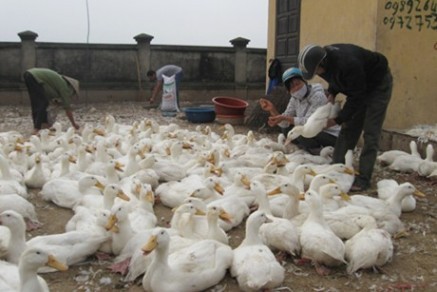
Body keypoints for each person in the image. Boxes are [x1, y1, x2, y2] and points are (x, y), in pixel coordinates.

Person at [298, 43, 393, 192]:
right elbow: (335, 78)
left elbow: (357, 97)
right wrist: (332, 94)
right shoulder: (323, 62)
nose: (317, 74)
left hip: (377, 85)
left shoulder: (348, 64)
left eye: (317, 71)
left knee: (370, 131)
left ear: (322, 63)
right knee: (349, 128)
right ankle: (337, 166)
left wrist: (336, 120)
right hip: (358, 86)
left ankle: (364, 178)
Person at [259, 67, 340, 154]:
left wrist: (285, 118)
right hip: (313, 132)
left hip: (330, 135)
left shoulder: (318, 96)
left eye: (298, 84)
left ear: (304, 81)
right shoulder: (295, 98)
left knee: (302, 134)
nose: (296, 88)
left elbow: (309, 123)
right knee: (286, 130)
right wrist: (272, 109)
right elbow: (284, 122)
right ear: (289, 91)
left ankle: (320, 152)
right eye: (292, 87)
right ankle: (309, 148)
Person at [23, 68, 80, 135]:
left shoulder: (55, 83)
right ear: (71, 88)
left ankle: (43, 125)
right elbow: (67, 108)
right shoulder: (64, 87)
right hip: (34, 76)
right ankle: (37, 128)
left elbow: (47, 96)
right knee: (42, 103)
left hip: (29, 75)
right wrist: (74, 124)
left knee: (37, 103)